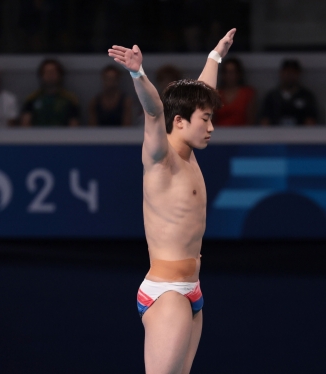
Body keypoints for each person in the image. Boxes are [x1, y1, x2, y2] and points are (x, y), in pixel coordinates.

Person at [108, 28, 236, 373]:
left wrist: (215, 56)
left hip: (191, 290)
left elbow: (202, 94)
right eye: (205, 120)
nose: (211, 128)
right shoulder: (160, 158)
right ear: (179, 122)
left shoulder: (190, 153)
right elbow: (153, 111)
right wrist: (138, 73)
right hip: (167, 293)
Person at [21, 59, 80, 127]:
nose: (50, 76)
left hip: (62, 136)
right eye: (47, 72)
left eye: (53, 72)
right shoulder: (32, 98)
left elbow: (74, 125)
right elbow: (25, 124)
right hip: (37, 136)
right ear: (41, 75)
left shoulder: (70, 99)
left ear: (60, 75)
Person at [260, 59, 318, 126]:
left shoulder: (306, 96)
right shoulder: (272, 96)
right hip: (275, 134)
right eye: (287, 72)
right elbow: (264, 121)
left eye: (293, 72)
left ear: (298, 74)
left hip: (300, 134)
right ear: (281, 73)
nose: (289, 75)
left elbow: (311, 121)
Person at [214, 57, 256, 126]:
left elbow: (251, 120)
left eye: (232, 72)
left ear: (239, 73)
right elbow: (212, 119)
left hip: (243, 133)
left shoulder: (248, 93)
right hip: (219, 133)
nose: (229, 75)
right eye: (226, 72)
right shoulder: (215, 94)